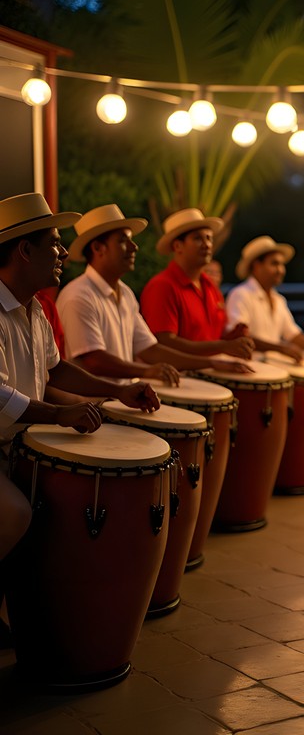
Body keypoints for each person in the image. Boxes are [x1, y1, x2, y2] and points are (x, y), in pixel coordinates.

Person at [0, 193, 161, 566]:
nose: (63, 254)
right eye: (55, 244)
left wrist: (119, 391)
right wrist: (59, 414)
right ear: (25, 249)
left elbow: (57, 369)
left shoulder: (35, 309)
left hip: (18, 444)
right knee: (14, 514)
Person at [56, 205, 252, 385]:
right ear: (98, 248)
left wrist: (212, 361)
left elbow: (150, 349)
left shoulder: (125, 293)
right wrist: (148, 371)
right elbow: (94, 361)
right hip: (95, 410)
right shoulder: (78, 296)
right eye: (124, 241)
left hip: (119, 401)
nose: (134, 247)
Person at [140, 208, 255, 360]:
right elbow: (164, 343)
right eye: (198, 238)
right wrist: (222, 347)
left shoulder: (210, 286)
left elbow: (212, 335)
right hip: (180, 377)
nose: (207, 244)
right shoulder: (162, 286)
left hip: (208, 370)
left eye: (209, 238)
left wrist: (233, 337)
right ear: (177, 246)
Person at [226, 236, 304, 363]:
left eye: (282, 264)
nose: (281, 270)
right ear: (257, 266)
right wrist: (281, 348)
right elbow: (239, 337)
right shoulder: (240, 294)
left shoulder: (278, 299)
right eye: (274, 263)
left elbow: (293, 335)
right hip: (250, 364)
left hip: (272, 363)